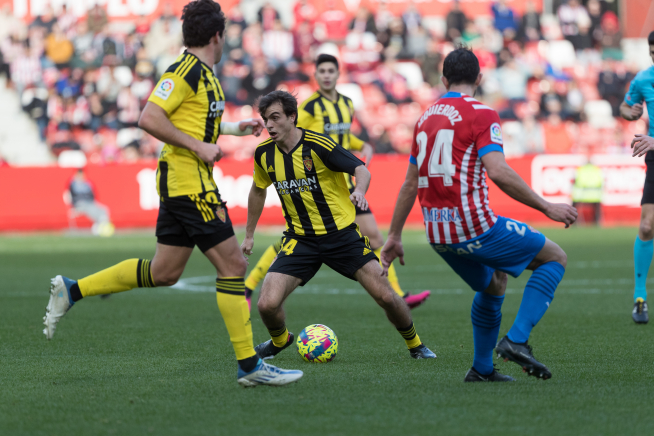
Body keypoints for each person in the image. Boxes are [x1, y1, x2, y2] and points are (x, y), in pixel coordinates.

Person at [42, 0, 303, 388]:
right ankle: (250, 366)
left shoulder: (205, 75)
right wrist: (198, 148)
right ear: (218, 35)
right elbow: (149, 116)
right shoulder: (184, 71)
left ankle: (72, 290)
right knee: (233, 266)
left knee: (164, 272)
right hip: (188, 182)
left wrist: (233, 127)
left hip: (185, 180)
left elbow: (196, 123)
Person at [381, 47, 577, 382]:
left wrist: (395, 235)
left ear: (443, 80)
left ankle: (482, 369)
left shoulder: (424, 118)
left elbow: (410, 183)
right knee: (554, 257)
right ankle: (516, 341)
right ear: (480, 79)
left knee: (494, 285)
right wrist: (548, 206)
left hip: (438, 235)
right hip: (474, 227)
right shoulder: (482, 113)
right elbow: (498, 171)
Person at [241, 90, 436, 361]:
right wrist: (249, 234)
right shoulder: (264, 154)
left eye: (275, 118)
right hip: (301, 240)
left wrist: (360, 192)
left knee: (388, 298)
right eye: (266, 119)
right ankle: (280, 340)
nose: (269, 125)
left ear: (292, 117)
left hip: (342, 236)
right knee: (266, 304)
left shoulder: (318, 145)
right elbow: (257, 190)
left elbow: (361, 169)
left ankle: (416, 345)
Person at [243, 54, 431, 310]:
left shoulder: (346, 104)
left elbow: (340, 138)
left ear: (338, 73)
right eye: (322, 71)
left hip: (347, 182)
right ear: (317, 76)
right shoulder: (308, 108)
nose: (327, 75)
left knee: (374, 236)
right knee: (298, 237)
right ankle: (251, 284)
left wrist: (360, 144)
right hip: (319, 182)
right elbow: (301, 138)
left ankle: (397, 295)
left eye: (332, 70)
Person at [620, 31, 654, 324]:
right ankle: (640, 297)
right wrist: (630, 112)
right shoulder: (644, 79)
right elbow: (625, 106)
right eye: (653, 53)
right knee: (646, 226)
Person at [68, 169, 114, 236]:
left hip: (90, 203)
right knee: (91, 209)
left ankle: (102, 225)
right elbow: (71, 196)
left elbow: (92, 194)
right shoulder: (73, 184)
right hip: (80, 204)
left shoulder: (87, 183)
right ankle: (98, 226)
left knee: (104, 209)